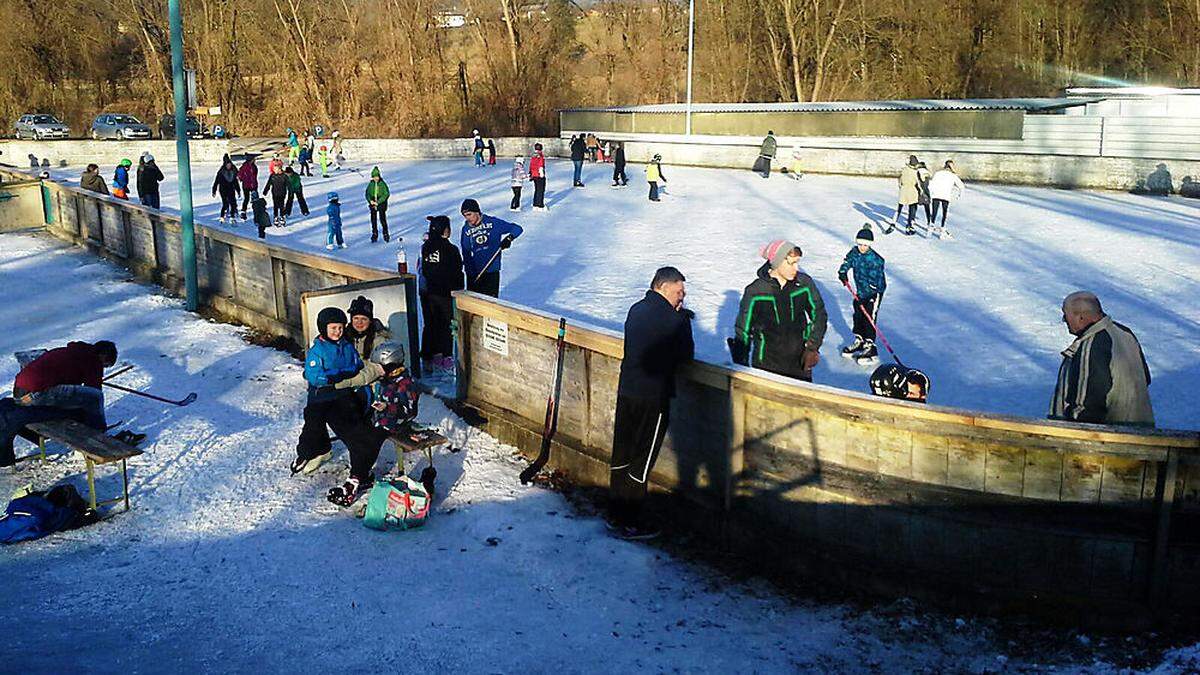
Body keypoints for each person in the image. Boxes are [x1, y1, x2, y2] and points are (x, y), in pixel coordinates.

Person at [608, 266, 694, 540]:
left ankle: (616, 514)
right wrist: (683, 322)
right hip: (653, 397)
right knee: (641, 461)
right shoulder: (674, 320)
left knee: (622, 454)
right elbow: (685, 356)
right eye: (679, 291)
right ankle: (631, 521)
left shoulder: (636, 309)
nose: (683, 297)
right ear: (664, 287)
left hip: (627, 391)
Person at [1050, 292, 1154, 427]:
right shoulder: (1125, 334)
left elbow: (1088, 404)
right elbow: (1145, 378)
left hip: (1108, 438)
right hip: (1140, 431)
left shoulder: (1091, 344)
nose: (1064, 320)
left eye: (1066, 315)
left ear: (1081, 317)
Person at [730, 240, 828, 382]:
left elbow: (819, 313)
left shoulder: (804, 284)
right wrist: (741, 364)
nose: (796, 268)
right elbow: (743, 330)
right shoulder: (755, 291)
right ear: (776, 263)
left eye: (797, 262)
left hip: (799, 365)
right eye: (791, 263)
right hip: (766, 367)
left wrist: (812, 347)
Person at [292, 307, 374, 477]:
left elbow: (357, 365)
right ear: (324, 328)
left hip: (342, 393)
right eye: (333, 328)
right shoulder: (318, 350)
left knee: (351, 425)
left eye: (341, 328)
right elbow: (313, 376)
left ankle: (361, 462)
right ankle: (311, 452)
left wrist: (348, 373)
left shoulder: (346, 346)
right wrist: (334, 376)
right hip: (320, 396)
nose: (338, 332)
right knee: (313, 425)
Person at [12, 341, 117, 434]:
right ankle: (98, 432)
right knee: (96, 397)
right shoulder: (93, 360)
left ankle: (79, 419)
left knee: (73, 396)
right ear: (103, 356)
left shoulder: (71, 351)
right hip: (34, 396)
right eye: (106, 365)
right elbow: (94, 391)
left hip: (19, 394)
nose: (103, 368)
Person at [419, 215, 464, 369]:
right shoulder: (450, 249)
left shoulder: (426, 246)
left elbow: (425, 268)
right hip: (443, 292)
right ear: (445, 231)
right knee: (445, 324)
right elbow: (457, 271)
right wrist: (459, 289)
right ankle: (445, 356)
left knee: (430, 323)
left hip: (427, 292)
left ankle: (428, 355)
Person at [837, 225, 887, 364]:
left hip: (874, 291)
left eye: (865, 245)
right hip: (861, 291)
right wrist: (843, 272)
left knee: (869, 316)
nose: (862, 247)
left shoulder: (875, 260)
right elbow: (847, 261)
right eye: (860, 244)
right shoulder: (855, 253)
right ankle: (859, 340)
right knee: (858, 314)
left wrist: (866, 296)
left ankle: (870, 347)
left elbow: (875, 280)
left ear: (870, 245)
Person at [460, 198, 523, 297]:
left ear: (477, 212)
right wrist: (470, 273)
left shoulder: (493, 223)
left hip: (492, 270)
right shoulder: (466, 229)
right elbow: (466, 252)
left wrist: (509, 239)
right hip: (475, 272)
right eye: (465, 216)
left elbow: (517, 229)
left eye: (469, 214)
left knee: (490, 304)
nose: (468, 218)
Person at [928, 159, 965, 238]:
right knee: (944, 214)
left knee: (934, 213)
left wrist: (932, 193)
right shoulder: (952, 175)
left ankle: (930, 229)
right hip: (946, 196)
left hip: (936, 195)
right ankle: (942, 231)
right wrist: (959, 196)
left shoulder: (938, 173)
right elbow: (961, 186)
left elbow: (931, 184)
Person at [212, 154, 241, 224]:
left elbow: (235, 182)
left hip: (231, 189)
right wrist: (214, 191)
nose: (229, 166)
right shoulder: (221, 172)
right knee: (225, 204)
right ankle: (222, 217)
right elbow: (216, 182)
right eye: (228, 165)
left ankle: (232, 217)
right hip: (223, 190)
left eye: (230, 165)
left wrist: (238, 191)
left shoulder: (233, 171)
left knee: (233, 203)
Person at [894, 155, 920, 234]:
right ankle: (909, 226)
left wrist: (902, 187)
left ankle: (893, 222)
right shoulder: (915, 172)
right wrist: (921, 191)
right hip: (912, 191)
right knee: (912, 208)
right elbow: (918, 183)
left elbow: (900, 182)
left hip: (903, 190)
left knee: (899, 207)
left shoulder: (904, 170)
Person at [365, 166, 390, 242]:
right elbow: (367, 193)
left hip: (381, 203)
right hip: (373, 203)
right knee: (373, 219)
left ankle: (385, 233)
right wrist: (370, 201)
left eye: (377, 177)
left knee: (382, 219)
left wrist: (378, 202)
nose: (376, 178)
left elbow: (386, 194)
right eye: (374, 177)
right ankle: (374, 233)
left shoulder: (382, 184)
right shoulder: (371, 184)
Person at [237, 154, 259, 220]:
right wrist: (243, 179)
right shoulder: (244, 166)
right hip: (247, 185)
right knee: (247, 198)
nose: (254, 161)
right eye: (253, 159)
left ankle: (257, 212)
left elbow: (255, 174)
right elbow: (239, 175)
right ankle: (243, 212)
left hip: (253, 185)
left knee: (254, 199)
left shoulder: (254, 166)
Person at [529, 143, 548, 211]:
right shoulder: (540, 156)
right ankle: (540, 205)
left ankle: (535, 204)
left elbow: (531, 165)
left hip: (534, 175)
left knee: (536, 190)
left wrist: (531, 173)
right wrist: (542, 175)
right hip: (539, 175)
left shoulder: (533, 156)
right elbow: (541, 166)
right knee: (541, 190)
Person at [915, 161, 932, 226]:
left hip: (919, 190)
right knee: (927, 207)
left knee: (914, 205)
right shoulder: (927, 172)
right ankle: (929, 221)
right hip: (926, 190)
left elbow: (920, 180)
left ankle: (912, 219)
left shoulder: (918, 171)